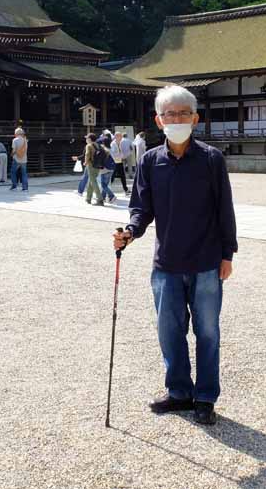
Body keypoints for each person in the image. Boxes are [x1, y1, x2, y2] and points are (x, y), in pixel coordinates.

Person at [113, 85, 237, 426]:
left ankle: (206, 396)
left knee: (208, 331)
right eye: (170, 114)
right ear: (158, 119)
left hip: (207, 261)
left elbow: (224, 209)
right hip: (166, 262)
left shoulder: (212, 159)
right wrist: (130, 232)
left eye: (184, 113)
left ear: (195, 118)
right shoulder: (151, 161)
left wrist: (228, 253)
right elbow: (141, 208)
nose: (177, 118)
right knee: (170, 331)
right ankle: (180, 391)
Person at [83, 133, 104, 206]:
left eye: (87, 138)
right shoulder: (99, 145)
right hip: (98, 165)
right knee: (91, 181)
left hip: (91, 165)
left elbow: (87, 154)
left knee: (93, 181)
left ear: (89, 139)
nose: (86, 139)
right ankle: (88, 198)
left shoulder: (89, 145)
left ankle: (100, 199)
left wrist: (85, 162)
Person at [10, 128, 29, 192]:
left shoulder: (15, 140)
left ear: (16, 133)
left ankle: (14, 186)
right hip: (24, 159)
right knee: (24, 173)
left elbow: (14, 150)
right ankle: (25, 188)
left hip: (16, 159)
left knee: (13, 172)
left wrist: (11, 155)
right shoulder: (25, 140)